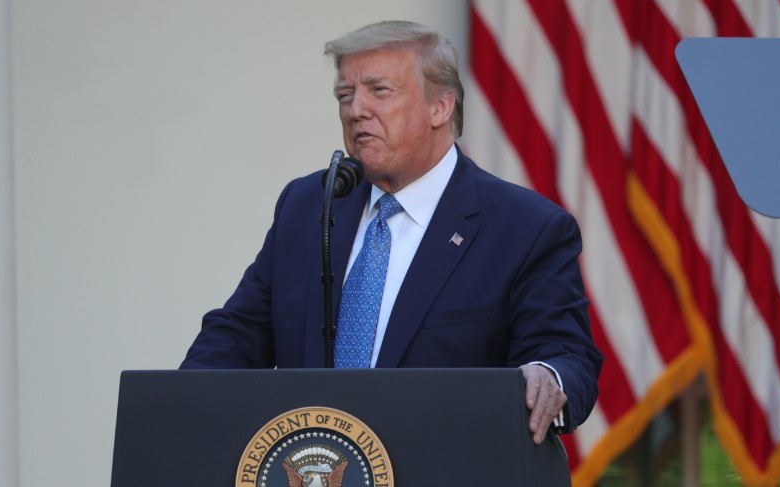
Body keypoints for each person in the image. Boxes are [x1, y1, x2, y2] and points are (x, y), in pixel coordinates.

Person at [181, 20, 602, 445]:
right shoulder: (309, 204)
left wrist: (547, 376)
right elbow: (240, 331)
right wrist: (178, 400)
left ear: (440, 107)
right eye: (345, 95)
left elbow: (567, 356)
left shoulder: (524, 227)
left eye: (378, 91)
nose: (355, 110)